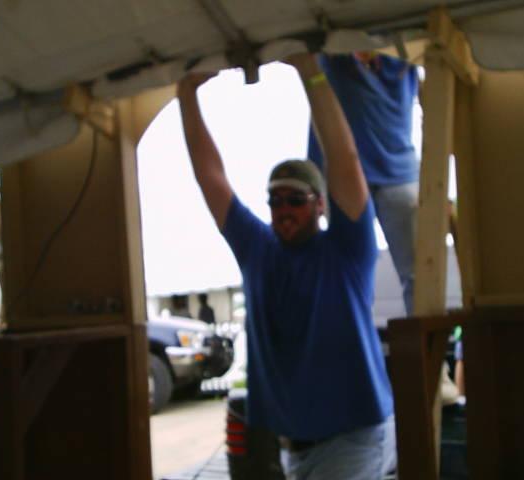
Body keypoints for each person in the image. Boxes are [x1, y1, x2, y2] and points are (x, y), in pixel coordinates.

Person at [177, 53, 396, 479]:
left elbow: (345, 159)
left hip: (352, 439)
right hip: (292, 448)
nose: (283, 209)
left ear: (320, 204)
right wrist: (187, 95)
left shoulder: (347, 250)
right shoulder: (257, 250)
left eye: (296, 199)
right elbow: (210, 177)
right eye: (275, 200)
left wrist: (309, 71)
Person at [308, 52, 419, 315]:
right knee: (352, 273)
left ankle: (426, 337)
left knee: (416, 275)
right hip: (358, 176)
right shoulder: (335, 55)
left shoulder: (403, 58)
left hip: (393, 176)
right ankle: (354, 332)